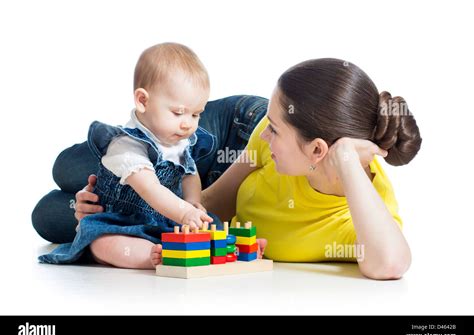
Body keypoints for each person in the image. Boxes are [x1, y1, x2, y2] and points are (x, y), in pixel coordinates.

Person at [35, 58, 421, 280]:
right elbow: (209, 203)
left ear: (319, 150)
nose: (265, 137)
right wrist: (133, 201)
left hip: (288, 142)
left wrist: (348, 161)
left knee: (50, 216)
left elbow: (390, 265)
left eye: (274, 130)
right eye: (270, 128)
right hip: (229, 132)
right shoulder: (265, 137)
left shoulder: (362, 214)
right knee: (68, 168)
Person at [38, 43, 266, 269]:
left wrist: (193, 202)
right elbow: (149, 188)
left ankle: (235, 249)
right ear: (143, 101)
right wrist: (185, 212)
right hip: (120, 220)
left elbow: (189, 172)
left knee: (211, 226)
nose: (189, 124)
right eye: (178, 113)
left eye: (197, 114)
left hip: (164, 218)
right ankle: (152, 256)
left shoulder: (182, 140)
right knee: (102, 241)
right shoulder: (126, 145)